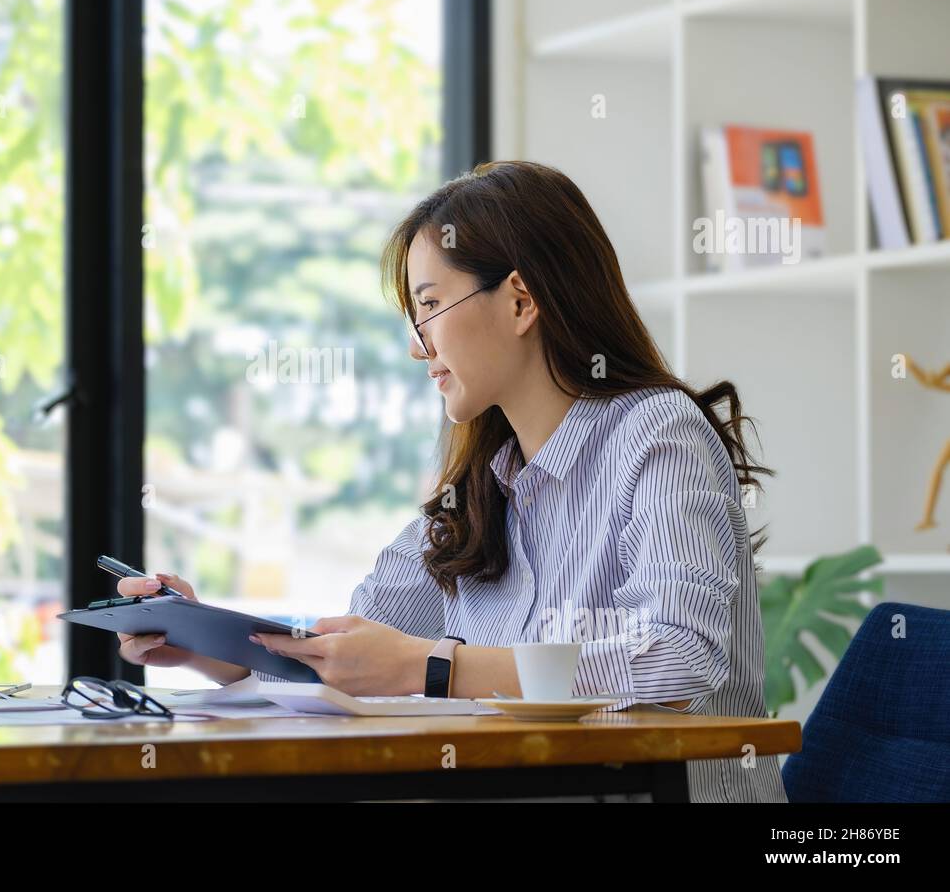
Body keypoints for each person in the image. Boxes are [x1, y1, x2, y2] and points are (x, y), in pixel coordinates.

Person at [115, 160, 787, 802]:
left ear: (521, 299)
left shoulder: (657, 435)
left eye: (430, 304)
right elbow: (356, 649)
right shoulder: (482, 487)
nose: (418, 345)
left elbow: (676, 661)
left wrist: (430, 667)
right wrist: (206, 643)